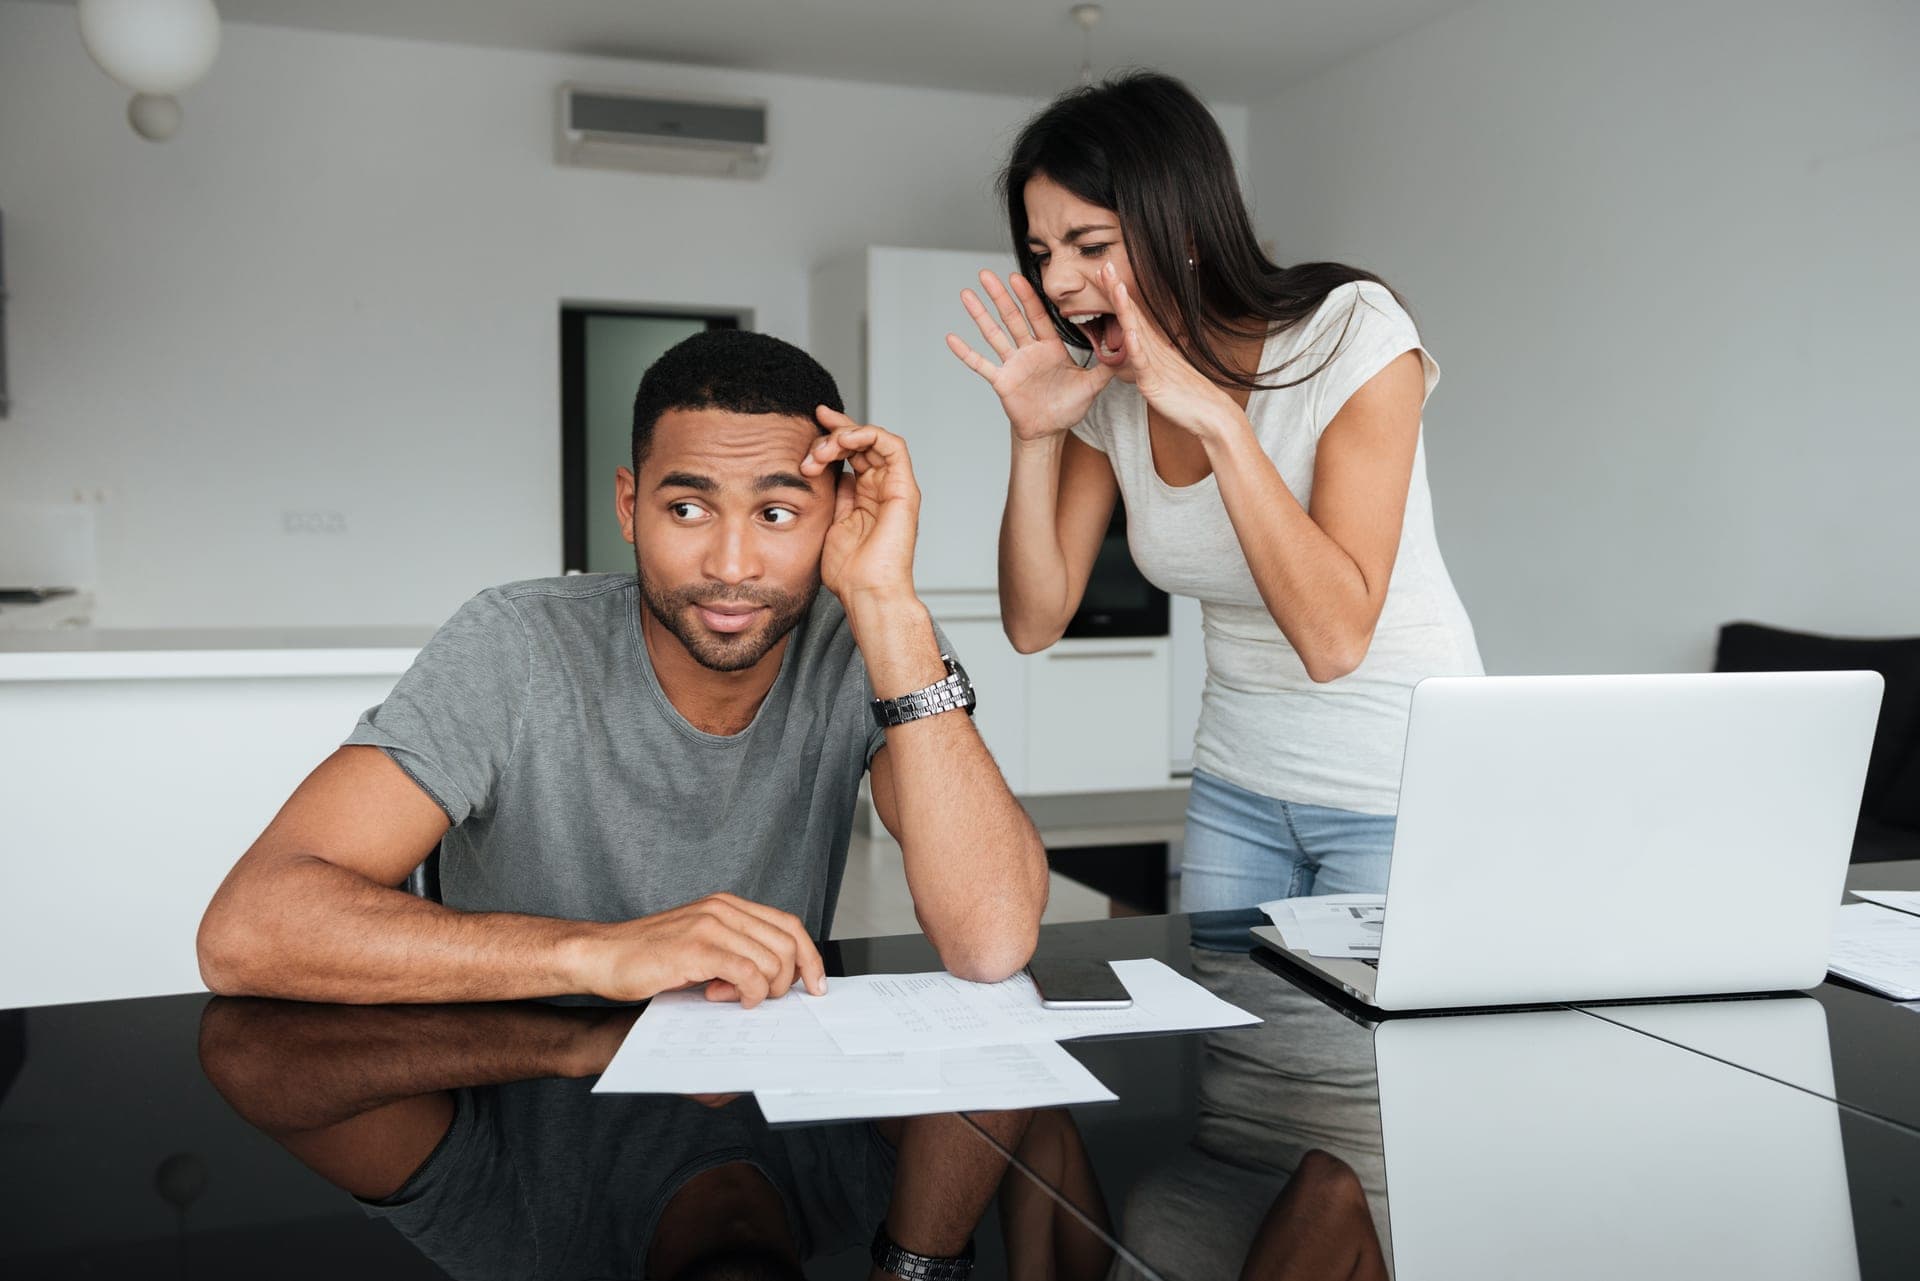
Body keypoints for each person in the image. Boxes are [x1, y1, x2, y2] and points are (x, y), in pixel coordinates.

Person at [198, 329, 1049, 1004]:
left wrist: (889, 603)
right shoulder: (515, 644)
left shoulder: (869, 641)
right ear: (629, 506)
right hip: (520, 1097)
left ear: (839, 513)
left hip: (760, 1095)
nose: (731, 564)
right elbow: (248, 928)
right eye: (688, 508)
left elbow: (992, 939)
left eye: (778, 513)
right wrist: (598, 954)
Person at [946, 71, 1481, 936]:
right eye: (1042, 254)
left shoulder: (1351, 331)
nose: (1060, 282)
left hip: (1394, 782)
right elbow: (1034, 621)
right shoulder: (1114, 390)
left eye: (1089, 244)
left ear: (1182, 229)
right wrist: (1035, 436)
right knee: (1223, 1021)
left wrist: (1219, 419)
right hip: (1237, 782)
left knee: (1354, 1030)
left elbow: (1335, 639)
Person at [198, 996, 1035, 1281]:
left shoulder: (529, 1238)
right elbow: (1002, 1035)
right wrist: (914, 1265)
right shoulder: (876, 1196)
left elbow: (250, 1053)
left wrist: (584, 1043)